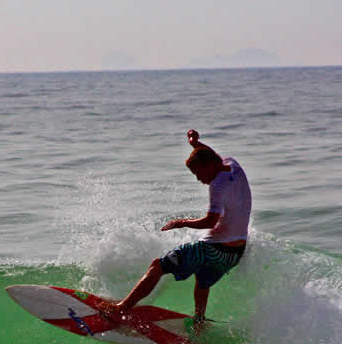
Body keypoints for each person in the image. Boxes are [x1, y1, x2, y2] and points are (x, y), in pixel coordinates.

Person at [107, 129, 251, 328]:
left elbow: (210, 222)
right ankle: (199, 322)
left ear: (209, 166)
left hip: (213, 249)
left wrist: (182, 222)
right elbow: (210, 154)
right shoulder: (233, 165)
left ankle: (120, 309)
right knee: (203, 280)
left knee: (158, 266)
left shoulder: (217, 185)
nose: (198, 179)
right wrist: (194, 141)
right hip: (234, 254)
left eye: (198, 173)